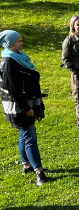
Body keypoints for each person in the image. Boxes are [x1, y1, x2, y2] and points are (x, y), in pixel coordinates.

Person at [0, 30, 48, 185]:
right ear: (10, 44)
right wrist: (26, 108)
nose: (22, 43)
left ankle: (26, 164)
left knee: (25, 134)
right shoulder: (8, 62)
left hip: (26, 102)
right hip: (19, 106)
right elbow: (13, 89)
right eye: (19, 41)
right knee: (30, 136)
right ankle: (38, 171)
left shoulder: (18, 57)